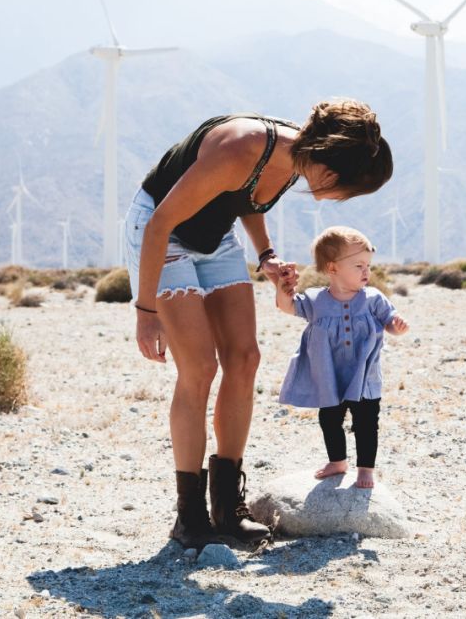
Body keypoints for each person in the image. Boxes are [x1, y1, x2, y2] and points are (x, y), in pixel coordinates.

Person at [124, 100, 393, 549]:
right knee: (199, 368)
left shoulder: (297, 159)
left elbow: (247, 197)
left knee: (245, 358)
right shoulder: (240, 146)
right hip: (162, 233)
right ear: (330, 166)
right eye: (346, 188)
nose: (341, 198)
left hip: (216, 237)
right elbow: (160, 223)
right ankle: (189, 517)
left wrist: (266, 254)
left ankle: (227, 508)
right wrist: (146, 311)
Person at [274, 226, 409, 489]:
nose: (366, 271)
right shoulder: (316, 301)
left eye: (368, 265)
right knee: (329, 419)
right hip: (329, 376)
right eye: (359, 266)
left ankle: (366, 469)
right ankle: (337, 461)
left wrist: (397, 326)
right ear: (333, 268)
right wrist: (283, 287)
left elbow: (389, 320)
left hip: (364, 377)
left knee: (366, 422)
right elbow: (287, 306)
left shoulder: (372, 298)